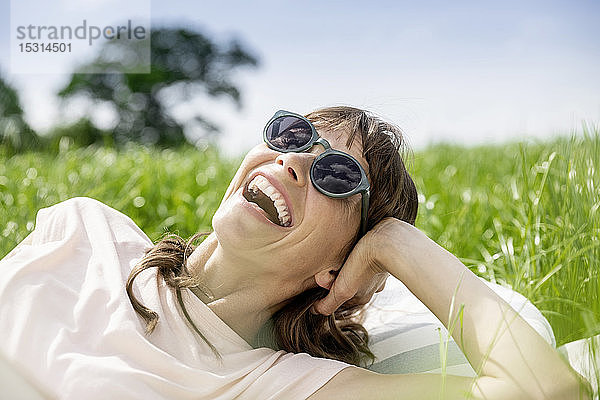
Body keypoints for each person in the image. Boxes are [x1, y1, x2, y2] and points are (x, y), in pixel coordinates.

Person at [0, 107, 591, 399]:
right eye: (291, 135)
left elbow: (544, 389)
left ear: (336, 266)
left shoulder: (278, 385)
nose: (297, 161)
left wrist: (397, 244)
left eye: (337, 175)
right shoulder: (84, 229)